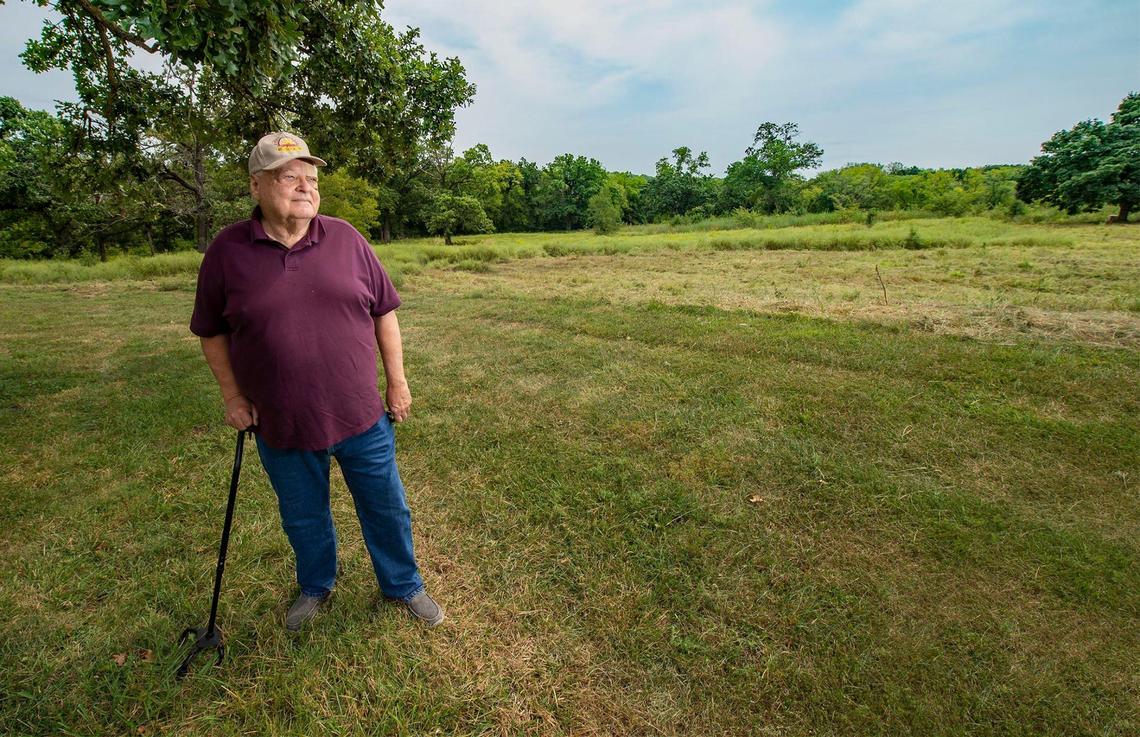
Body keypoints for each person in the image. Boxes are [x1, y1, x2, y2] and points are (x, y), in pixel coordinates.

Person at [190, 132, 443, 630]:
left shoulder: (346, 239)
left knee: (387, 507)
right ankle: (316, 585)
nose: (306, 186)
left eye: (312, 178)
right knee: (303, 516)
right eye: (291, 177)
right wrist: (232, 395)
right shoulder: (228, 251)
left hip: (360, 413)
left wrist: (397, 382)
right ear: (256, 186)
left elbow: (384, 312)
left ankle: (402, 583)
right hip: (281, 420)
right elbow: (212, 332)